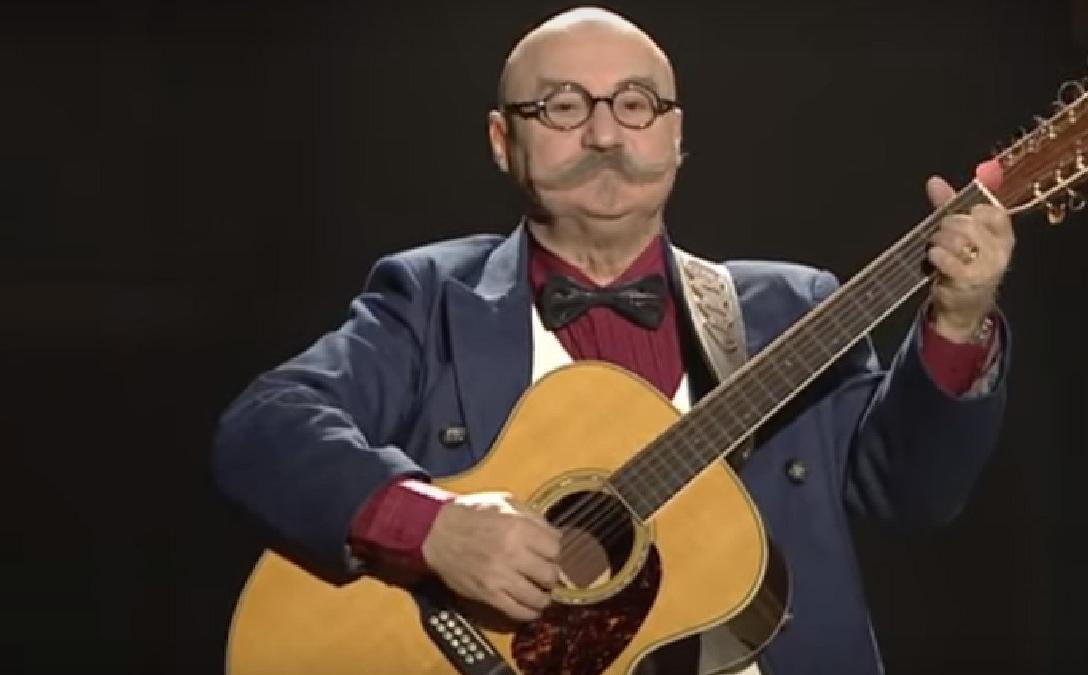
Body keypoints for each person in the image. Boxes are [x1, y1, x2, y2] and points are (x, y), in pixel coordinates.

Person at [211, 6, 1014, 675]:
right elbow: (265, 426)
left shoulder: (791, 308)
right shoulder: (431, 299)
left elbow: (915, 495)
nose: (604, 134)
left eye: (636, 104)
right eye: (562, 106)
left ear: (675, 135)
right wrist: (434, 528)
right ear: (502, 139)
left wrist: (956, 321)